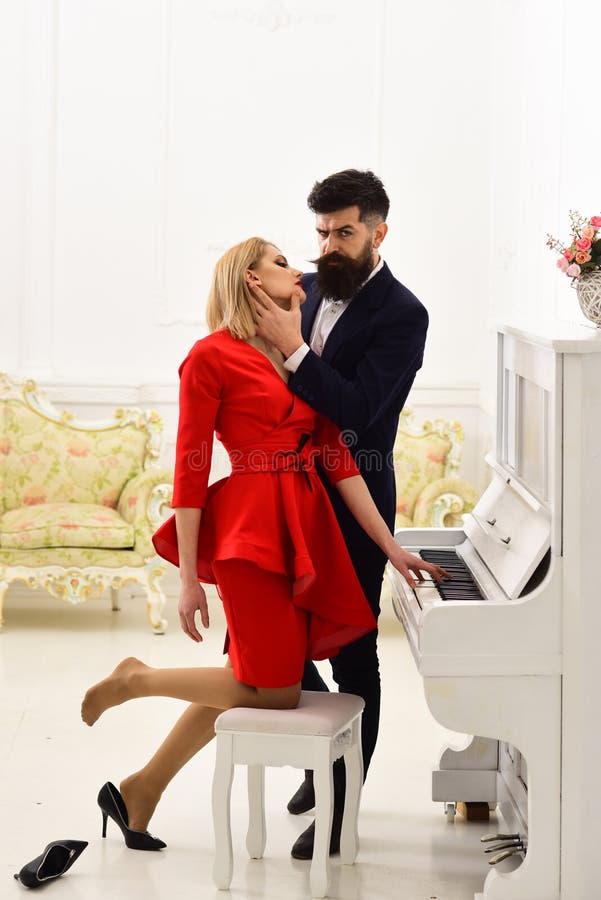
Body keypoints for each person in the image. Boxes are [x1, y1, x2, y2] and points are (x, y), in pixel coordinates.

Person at [80, 236, 447, 854]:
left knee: (250, 675)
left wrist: (390, 545)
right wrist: (190, 580)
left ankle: (140, 790)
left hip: (306, 527)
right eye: (281, 262)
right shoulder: (208, 357)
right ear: (250, 281)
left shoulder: (293, 355)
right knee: (274, 688)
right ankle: (136, 678)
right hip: (250, 532)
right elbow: (191, 469)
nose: (300, 270)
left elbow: (336, 457)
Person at [248, 169, 430, 859]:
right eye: (321, 231)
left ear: (378, 232)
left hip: (357, 497)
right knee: (278, 645)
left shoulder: (403, 315)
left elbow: (359, 412)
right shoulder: (309, 284)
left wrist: (291, 349)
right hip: (283, 495)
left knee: (354, 656)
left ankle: (340, 806)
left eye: (344, 232)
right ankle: (319, 758)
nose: (327, 245)